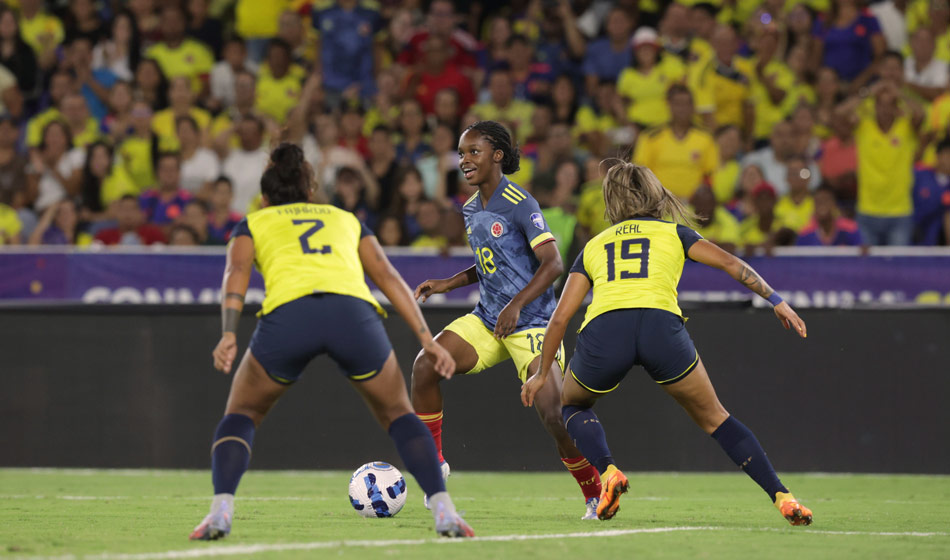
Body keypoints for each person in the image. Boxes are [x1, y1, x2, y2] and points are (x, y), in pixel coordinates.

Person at [189, 143, 473, 540]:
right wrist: (427, 339)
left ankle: (220, 512)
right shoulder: (343, 218)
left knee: (241, 414)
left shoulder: (254, 223)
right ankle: (444, 511)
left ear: (266, 197)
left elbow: (235, 273)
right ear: (310, 191)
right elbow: (388, 277)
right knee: (399, 414)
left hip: (290, 316)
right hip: (352, 315)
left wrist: (228, 333)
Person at [521, 161, 813, 527]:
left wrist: (543, 372)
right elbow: (730, 263)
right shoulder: (675, 233)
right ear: (654, 195)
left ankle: (609, 471)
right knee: (716, 418)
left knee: (572, 405)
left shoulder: (595, 245)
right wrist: (776, 300)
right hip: (661, 327)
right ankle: (782, 497)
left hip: (606, 329)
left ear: (612, 200)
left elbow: (560, 317)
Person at [411, 121, 605, 520]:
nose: (464, 160)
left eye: (473, 152)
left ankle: (595, 491)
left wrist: (516, 305)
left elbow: (552, 264)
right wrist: (451, 282)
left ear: (497, 155)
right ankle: (435, 464)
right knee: (425, 364)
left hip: (532, 322)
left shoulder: (520, 202)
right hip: (488, 320)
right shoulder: (469, 208)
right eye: (462, 154)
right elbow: (492, 264)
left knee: (553, 413)